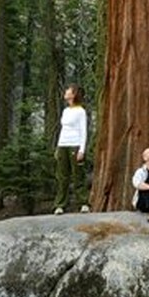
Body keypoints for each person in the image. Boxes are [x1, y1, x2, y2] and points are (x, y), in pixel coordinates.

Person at [54, 84, 90, 214]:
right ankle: (60, 204)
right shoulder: (65, 111)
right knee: (62, 176)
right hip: (63, 144)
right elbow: (63, 129)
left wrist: (82, 149)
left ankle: (83, 203)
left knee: (78, 175)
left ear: (73, 94)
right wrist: (58, 147)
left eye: (68, 91)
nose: (66, 92)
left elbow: (84, 131)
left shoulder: (80, 111)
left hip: (75, 144)